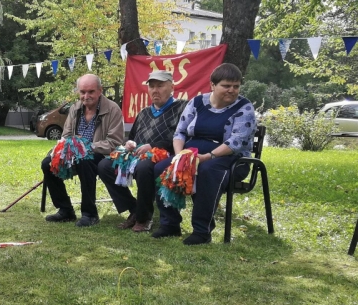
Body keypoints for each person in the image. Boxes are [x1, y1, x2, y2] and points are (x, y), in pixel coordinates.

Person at [151, 63, 257, 244]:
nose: (232, 90)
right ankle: (170, 224)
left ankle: (202, 231)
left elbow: (236, 141)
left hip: (229, 159)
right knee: (161, 168)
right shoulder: (197, 102)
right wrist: (178, 156)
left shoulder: (244, 107)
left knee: (207, 171)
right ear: (213, 85)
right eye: (226, 86)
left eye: (236, 86)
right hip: (193, 155)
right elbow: (180, 132)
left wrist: (208, 157)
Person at [98, 70, 187, 232]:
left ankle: (144, 217)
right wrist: (129, 144)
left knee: (144, 167)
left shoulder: (182, 108)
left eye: (160, 86)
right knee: (104, 165)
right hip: (137, 154)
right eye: (152, 86)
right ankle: (134, 208)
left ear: (172, 87)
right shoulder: (144, 112)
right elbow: (132, 137)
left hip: (165, 155)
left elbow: (180, 137)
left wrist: (152, 145)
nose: (155, 90)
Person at [41, 74, 125, 227]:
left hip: (104, 155)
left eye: (91, 92)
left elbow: (115, 142)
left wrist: (87, 147)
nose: (86, 96)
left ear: (100, 90)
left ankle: (89, 214)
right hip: (75, 153)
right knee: (47, 163)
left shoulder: (113, 109)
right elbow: (66, 135)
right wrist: (63, 150)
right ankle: (65, 210)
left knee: (85, 161)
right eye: (82, 92)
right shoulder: (75, 108)